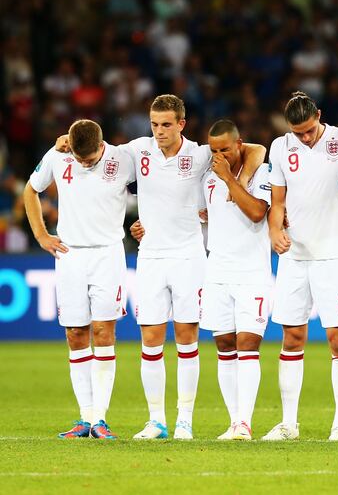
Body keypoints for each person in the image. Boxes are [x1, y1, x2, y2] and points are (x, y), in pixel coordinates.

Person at [58, 94, 265, 439]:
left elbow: (255, 149)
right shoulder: (138, 151)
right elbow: (94, 147)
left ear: (181, 124)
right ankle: (157, 420)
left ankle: (185, 419)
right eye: (154, 124)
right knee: (150, 342)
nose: (159, 131)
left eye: (166, 124)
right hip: (151, 258)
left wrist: (242, 181)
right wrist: (66, 139)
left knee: (187, 341)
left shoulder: (199, 155)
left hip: (188, 257)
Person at [24, 119, 135, 439]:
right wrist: (42, 234)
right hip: (69, 255)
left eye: (90, 159)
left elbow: (154, 184)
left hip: (108, 254)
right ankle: (85, 418)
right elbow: (31, 190)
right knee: (75, 334)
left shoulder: (122, 159)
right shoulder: (58, 155)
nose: (84, 163)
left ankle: (101, 418)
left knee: (103, 330)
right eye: (79, 158)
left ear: (102, 146)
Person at [263, 92, 338, 441]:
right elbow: (277, 201)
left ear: (319, 115)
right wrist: (275, 230)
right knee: (291, 338)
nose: (304, 138)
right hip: (294, 257)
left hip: (334, 255)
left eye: (309, 130)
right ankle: (289, 423)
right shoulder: (280, 147)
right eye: (298, 133)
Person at [197, 120, 272, 441]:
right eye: (214, 150)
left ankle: (245, 421)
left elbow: (257, 212)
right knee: (224, 346)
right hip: (217, 272)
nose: (219, 156)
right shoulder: (206, 178)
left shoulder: (263, 173)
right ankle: (233, 422)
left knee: (247, 345)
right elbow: (203, 215)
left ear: (240, 144)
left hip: (252, 272)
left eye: (225, 149)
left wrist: (230, 179)